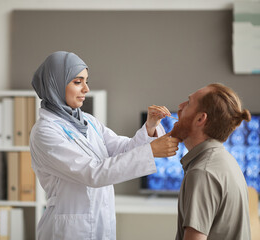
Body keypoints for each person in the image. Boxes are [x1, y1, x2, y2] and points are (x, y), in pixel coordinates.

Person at [29, 51, 180, 240]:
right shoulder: (45, 132)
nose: (86, 89)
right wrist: (150, 151)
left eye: (86, 81)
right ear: (56, 85)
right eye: (77, 82)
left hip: (100, 222)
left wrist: (150, 127)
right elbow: (92, 173)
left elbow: (122, 149)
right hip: (68, 231)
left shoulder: (88, 121)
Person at [171, 83, 251, 240]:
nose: (180, 106)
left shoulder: (202, 172)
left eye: (188, 103)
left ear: (200, 118)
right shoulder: (225, 160)